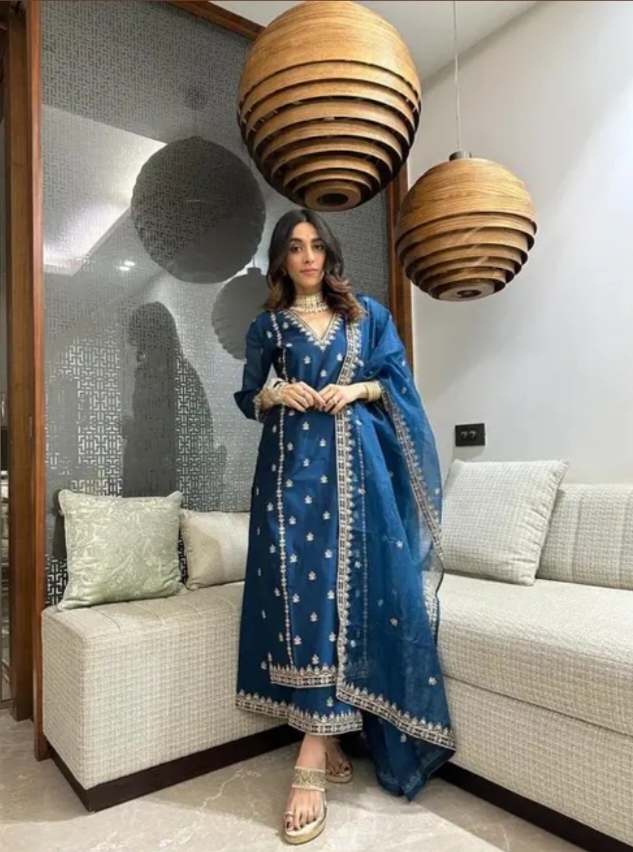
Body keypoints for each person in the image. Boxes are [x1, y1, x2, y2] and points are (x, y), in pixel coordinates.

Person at [234, 208, 455, 845]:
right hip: (289, 474)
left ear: (329, 254)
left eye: (316, 246)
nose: (308, 257)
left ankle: (311, 750)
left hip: (356, 478)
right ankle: (324, 734)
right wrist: (274, 395)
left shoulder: (368, 317)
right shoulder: (267, 326)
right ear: (281, 260)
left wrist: (355, 391)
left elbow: (397, 384)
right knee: (302, 600)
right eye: (295, 248)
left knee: (345, 597)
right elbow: (249, 396)